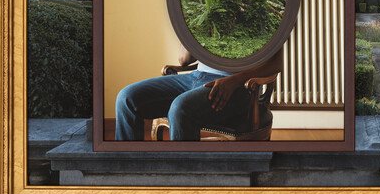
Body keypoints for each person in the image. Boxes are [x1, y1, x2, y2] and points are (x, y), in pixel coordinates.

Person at [115, 43, 271, 141]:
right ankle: (128, 171)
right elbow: (184, 60)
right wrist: (192, 26)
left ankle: (186, 180)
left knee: (180, 108)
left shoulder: (257, 5)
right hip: (196, 76)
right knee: (126, 99)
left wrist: (235, 80)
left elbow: (276, 64)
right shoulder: (206, 6)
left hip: (236, 86)